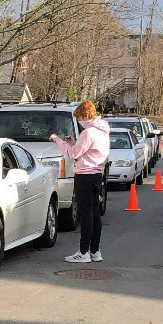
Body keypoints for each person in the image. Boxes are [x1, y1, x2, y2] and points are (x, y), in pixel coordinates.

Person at [49, 100, 110, 264]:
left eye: (79, 118)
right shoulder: (102, 131)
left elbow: (72, 154)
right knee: (95, 214)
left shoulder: (88, 133)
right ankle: (95, 250)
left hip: (85, 175)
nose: (79, 121)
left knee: (86, 215)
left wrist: (58, 141)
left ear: (85, 116)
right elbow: (86, 151)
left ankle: (83, 252)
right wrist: (74, 143)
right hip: (96, 174)